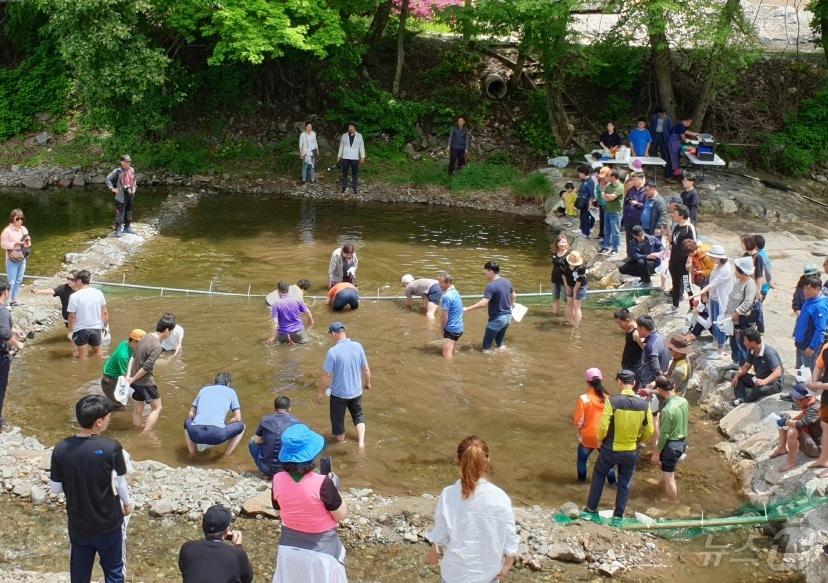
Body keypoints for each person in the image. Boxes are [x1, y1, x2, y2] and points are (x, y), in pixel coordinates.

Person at [49, 395, 132, 583]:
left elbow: (55, 488)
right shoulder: (111, 447)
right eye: (108, 416)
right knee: (114, 571)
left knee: (79, 573)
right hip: (108, 524)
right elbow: (120, 483)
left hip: (79, 524)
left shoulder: (61, 448)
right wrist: (127, 504)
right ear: (99, 422)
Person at [425, 436, 519, 583]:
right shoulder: (500, 497)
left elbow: (441, 531)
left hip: (454, 574)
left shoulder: (449, 494)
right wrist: (508, 562)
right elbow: (509, 534)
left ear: (458, 460)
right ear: (487, 459)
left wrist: (434, 550)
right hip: (488, 575)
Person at [271, 424, 347, 582]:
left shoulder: (277, 479)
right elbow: (341, 515)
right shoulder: (323, 483)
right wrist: (335, 489)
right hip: (321, 552)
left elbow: (279, 509)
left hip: (288, 549)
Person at [585, 370, 654, 520]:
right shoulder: (644, 405)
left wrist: (599, 440)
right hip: (631, 450)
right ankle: (618, 514)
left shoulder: (613, 401)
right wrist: (640, 441)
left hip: (611, 448)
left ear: (619, 383)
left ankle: (591, 508)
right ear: (634, 383)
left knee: (599, 474)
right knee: (625, 481)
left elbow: (603, 426)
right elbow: (650, 429)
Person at [317, 322, 371, 447]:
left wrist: (320, 393)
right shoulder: (358, 346)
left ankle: (341, 443)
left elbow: (327, 376)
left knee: (338, 424)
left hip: (339, 394)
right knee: (358, 416)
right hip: (356, 391)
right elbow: (366, 369)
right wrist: (367, 383)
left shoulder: (332, 352)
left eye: (331, 334)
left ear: (334, 334)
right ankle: (361, 442)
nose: (331, 337)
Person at [178, 504, 253, 583]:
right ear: (227, 531)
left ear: (202, 526)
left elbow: (186, 570)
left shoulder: (187, 548)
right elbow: (247, 579)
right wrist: (238, 547)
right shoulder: (237, 554)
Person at [127, 314, 176, 433]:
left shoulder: (145, 336)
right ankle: (145, 434)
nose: (171, 334)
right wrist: (132, 379)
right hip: (145, 382)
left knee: (138, 409)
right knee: (157, 407)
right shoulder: (157, 346)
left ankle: (136, 429)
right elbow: (146, 367)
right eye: (172, 331)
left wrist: (129, 376)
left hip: (134, 380)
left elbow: (133, 357)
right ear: (166, 330)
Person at [184, 372, 246, 458]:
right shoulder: (231, 392)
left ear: (215, 382)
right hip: (216, 435)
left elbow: (191, 414)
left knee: (187, 422)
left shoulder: (204, 389)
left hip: (195, 434)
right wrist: (227, 425)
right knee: (241, 425)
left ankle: (192, 454)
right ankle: (226, 456)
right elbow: (238, 418)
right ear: (228, 384)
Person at [573, 368, 617, 484]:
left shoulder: (584, 398)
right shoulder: (608, 398)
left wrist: (579, 432)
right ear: (601, 379)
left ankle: (581, 483)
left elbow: (578, 421)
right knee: (607, 463)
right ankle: (612, 484)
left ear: (587, 381)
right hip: (604, 436)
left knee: (582, 460)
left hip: (588, 435)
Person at [648, 376, 689, 502]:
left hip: (671, 446)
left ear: (659, 389)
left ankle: (673, 502)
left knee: (670, 477)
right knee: (667, 468)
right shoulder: (683, 401)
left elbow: (663, 434)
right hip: (682, 442)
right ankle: (659, 483)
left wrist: (656, 453)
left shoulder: (667, 410)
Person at [770, 383, 823, 473]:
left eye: (797, 399)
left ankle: (791, 461)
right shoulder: (810, 404)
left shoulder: (815, 408)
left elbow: (800, 424)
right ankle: (781, 449)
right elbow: (802, 415)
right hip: (811, 439)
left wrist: (787, 422)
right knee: (784, 419)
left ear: (807, 398)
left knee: (792, 430)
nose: (795, 401)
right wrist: (788, 419)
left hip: (817, 448)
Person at [463, 261, 515, 352]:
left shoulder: (491, 286)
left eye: (485, 271)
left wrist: (467, 309)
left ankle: (487, 361)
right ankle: (503, 358)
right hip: (508, 317)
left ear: (491, 271)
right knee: (500, 342)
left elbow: (483, 303)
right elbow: (514, 295)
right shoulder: (507, 281)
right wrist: (511, 306)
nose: (484, 273)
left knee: (486, 346)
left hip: (497, 319)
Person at [691, 245, 732, 355]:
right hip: (713, 298)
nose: (711, 259)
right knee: (714, 322)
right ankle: (715, 343)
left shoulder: (726, 269)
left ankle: (720, 350)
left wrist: (701, 292)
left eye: (713, 257)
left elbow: (713, 283)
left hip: (721, 299)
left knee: (720, 324)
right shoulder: (717, 265)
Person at [249, 395, 300, 477]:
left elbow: (256, 440)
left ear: (275, 408)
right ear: (289, 408)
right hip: (287, 470)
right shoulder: (296, 422)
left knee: (251, 442)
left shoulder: (265, 420)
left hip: (266, 469)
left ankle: (265, 464)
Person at [731, 327, 784, 405]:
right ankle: (739, 399)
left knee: (759, 388)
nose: (744, 343)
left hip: (773, 383)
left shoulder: (769, 353)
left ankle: (744, 401)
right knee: (736, 375)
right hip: (758, 379)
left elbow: (778, 372)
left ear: (752, 342)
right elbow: (746, 367)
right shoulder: (752, 350)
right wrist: (736, 376)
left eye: (745, 341)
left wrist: (764, 381)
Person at [67, 269, 110, 360]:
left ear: (79, 280)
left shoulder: (74, 296)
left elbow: (72, 316)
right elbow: (105, 312)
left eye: (75, 280)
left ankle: (84, 373)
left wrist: (70, 331)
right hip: (96, 328)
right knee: (99, 353)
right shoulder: (98, 293)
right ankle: (100, 372)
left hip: (81, 330)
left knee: (83, 357)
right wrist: (105, 326)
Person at [101, 329, 146, 412]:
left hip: (112, 375)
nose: (144, 346)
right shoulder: (123, 357)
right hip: (110, 382)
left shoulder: (125, 343)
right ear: (134, 342)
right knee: (119, 407)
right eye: (142, 344)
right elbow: (128, 378)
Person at [726, 257, 760, 366]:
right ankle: (736, 362)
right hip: (734, 321)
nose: (735, 272)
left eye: (737, 270)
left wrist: (737, 312)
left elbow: (748, 302)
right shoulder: (738, 282)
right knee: (734, 343)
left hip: (742, 321)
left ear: (743, 272)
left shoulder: (750, 284)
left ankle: (744, 365)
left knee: (742, 344)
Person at [0, 279, 23, 432]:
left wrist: (13, 330)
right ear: (6, 292)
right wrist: (18, 344)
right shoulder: (2, 310)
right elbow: (4, 334)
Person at [793, 275, 828, 373]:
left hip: (808, 346)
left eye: (808, 289)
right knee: (799, 370)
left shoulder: (819, 307)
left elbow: (820, 329)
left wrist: (812, 347)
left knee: (808, 373)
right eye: (804, 288)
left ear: (817, 289)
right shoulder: (809, 300)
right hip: (801, 343)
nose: (805, 291)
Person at [668, 204, 696, 309]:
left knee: (687, 284)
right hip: (674, 260)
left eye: (675, 214)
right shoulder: (676, 227)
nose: (672, 215)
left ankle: (693, 307)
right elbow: (673, 243)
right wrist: (668, 235)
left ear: (682, 215)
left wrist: (689, 260)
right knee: (675, 283)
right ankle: (675, 304)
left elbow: (694, 246)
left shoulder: (689, 228)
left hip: (683, 262)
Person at [806, 344, 828, 475]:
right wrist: (814, 381)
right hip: (827, 396)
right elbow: (819, 365)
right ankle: (824, 459)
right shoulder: (826, 347)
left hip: (826, 388)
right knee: (825, 426)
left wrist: (821, 385)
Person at [1, 208, 30, 305]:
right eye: (18, 219)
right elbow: (3, 244)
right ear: (12, 218)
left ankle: (15, 299)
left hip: (22, 258)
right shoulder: (7, 231)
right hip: (11, 260)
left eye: (22, 218)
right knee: (11, 281)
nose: (20, 221)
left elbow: (27, 243)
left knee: (19, 280)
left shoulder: (24, 229)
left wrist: (27, 242)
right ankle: (7, 301)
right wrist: (15, 243)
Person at [104, 154, 138, 238]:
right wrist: (112, 189)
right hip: (121, 195)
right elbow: (107, 179)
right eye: (127, 162)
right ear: (122, 162)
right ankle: (118, 229)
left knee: (129, 211)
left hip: (130, 193)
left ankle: (127, 227)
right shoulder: (117, 171)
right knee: (120, 212)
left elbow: (133, 180)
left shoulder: (131, 170)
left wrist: (134, 188)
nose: (128, 163)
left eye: (129, 161)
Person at [636, 315, 669, 388]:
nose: (637, 331)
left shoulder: (650, 346)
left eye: (637, 328)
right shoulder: (661, 336)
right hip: (664, 371)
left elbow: (656, 369)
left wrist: (653, 387)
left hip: (649, 382)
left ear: (643, 328)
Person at [599, 170, 624, 257]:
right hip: (607, 211)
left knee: (615, 231)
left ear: (613, 177)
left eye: (608, 176)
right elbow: (603, 194)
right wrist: (606, 195)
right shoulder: (608, 185)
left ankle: (615, 248)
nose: (606, 178)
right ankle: (606, 246)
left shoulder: (620, 186)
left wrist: (606, 195)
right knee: (607, 230)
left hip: (615, 212)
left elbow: (611, 198)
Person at [438, 272, 463, 359]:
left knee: (446, 354)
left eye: (441, 283)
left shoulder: (447, 296)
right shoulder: (455, 292)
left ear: (448, 283)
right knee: (451, 350)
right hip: (459, 328)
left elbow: (445, 316)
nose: (439, 285)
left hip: (451, 329)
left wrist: (442, 329)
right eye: (439, 282)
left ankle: (450, 371)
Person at [337, 123, 365, 194]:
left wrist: (362, 157)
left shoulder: (359, 136)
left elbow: (361, 147)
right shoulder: (344, 136)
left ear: (354, 128)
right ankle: (344, 187)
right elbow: (341, 146)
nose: (350, 128)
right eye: (349, 127)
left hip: (355, 157)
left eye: (352, 127)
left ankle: (354, 187)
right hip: (345, 157)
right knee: (344, 172)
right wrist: (339, 156)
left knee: (355, 173)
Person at [622, 172, 646, 253]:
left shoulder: (645, 191)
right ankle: (629, 255)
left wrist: (637, 204)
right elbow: (625, 202)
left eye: (636, 180)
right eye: (633, 180)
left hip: (639, 220)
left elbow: (647, 205)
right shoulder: (631, 190)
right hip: (628, 219)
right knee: (628, 239)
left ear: (642, 180)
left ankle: (639, 256)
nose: (634, 181)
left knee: (638, 239)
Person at [563, 251, 587, 328]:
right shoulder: (565, 263)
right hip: (569, 284)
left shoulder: (582, 267)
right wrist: (566, 286)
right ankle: (569, 321)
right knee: (569, 303)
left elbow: (579, 281)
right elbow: (563, 275)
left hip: (580, 286)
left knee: (576, 306)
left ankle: (576, 325)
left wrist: (575, 291)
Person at [741, 234, 766, 303]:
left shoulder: (758, 257)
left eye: (742, 243)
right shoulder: (745, 255)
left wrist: (757, 295)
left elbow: (759, 277)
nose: (740, 245)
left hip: (754, 289)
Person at [550, 234, 571, 316]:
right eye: (561, 242)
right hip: (554, 280)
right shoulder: (554, 253)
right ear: (557, 243)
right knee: (555, 299)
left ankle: (567, 319)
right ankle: (555, 317)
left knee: (566, 301)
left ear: (567, 243)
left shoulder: (569, 254)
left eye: (565, 242)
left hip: (565, 281)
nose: (563, 244)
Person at [648, 109, 672, 175]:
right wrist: (650, 135)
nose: (662, 115)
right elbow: (650, 126)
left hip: (663, 136)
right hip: (655, 135)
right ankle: (653, 165)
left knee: (663, 151)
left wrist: (669, 137)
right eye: (661, 114)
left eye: (664, 114)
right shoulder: (653, 117)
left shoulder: (668, 118)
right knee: (653, 150)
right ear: (658, 113)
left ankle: (664, 164)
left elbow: (670, 128)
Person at [576, 165, 595, 238]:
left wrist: (590, 204)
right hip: (582, 202)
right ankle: (583, 230)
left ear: (584, 173)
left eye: (579, 173)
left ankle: (586, 233)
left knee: (586, 218)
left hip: (587, 202)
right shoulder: (584, 181)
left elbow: (591, 194)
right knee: (583, 217)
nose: (579, 175)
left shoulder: (590, 181)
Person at [299, 121, 319, 186]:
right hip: (305, 152)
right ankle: (303, 180)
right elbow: (300, 145)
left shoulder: (313, 133)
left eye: (310, 127)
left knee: (312, 166)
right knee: (305, 166)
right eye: (308, 127)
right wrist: (301, 154)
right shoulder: (302, 135)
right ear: (306, 127)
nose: (309, 128)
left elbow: (315, 142)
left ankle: (312, 179)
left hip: (313, 151)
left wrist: (317, 150)